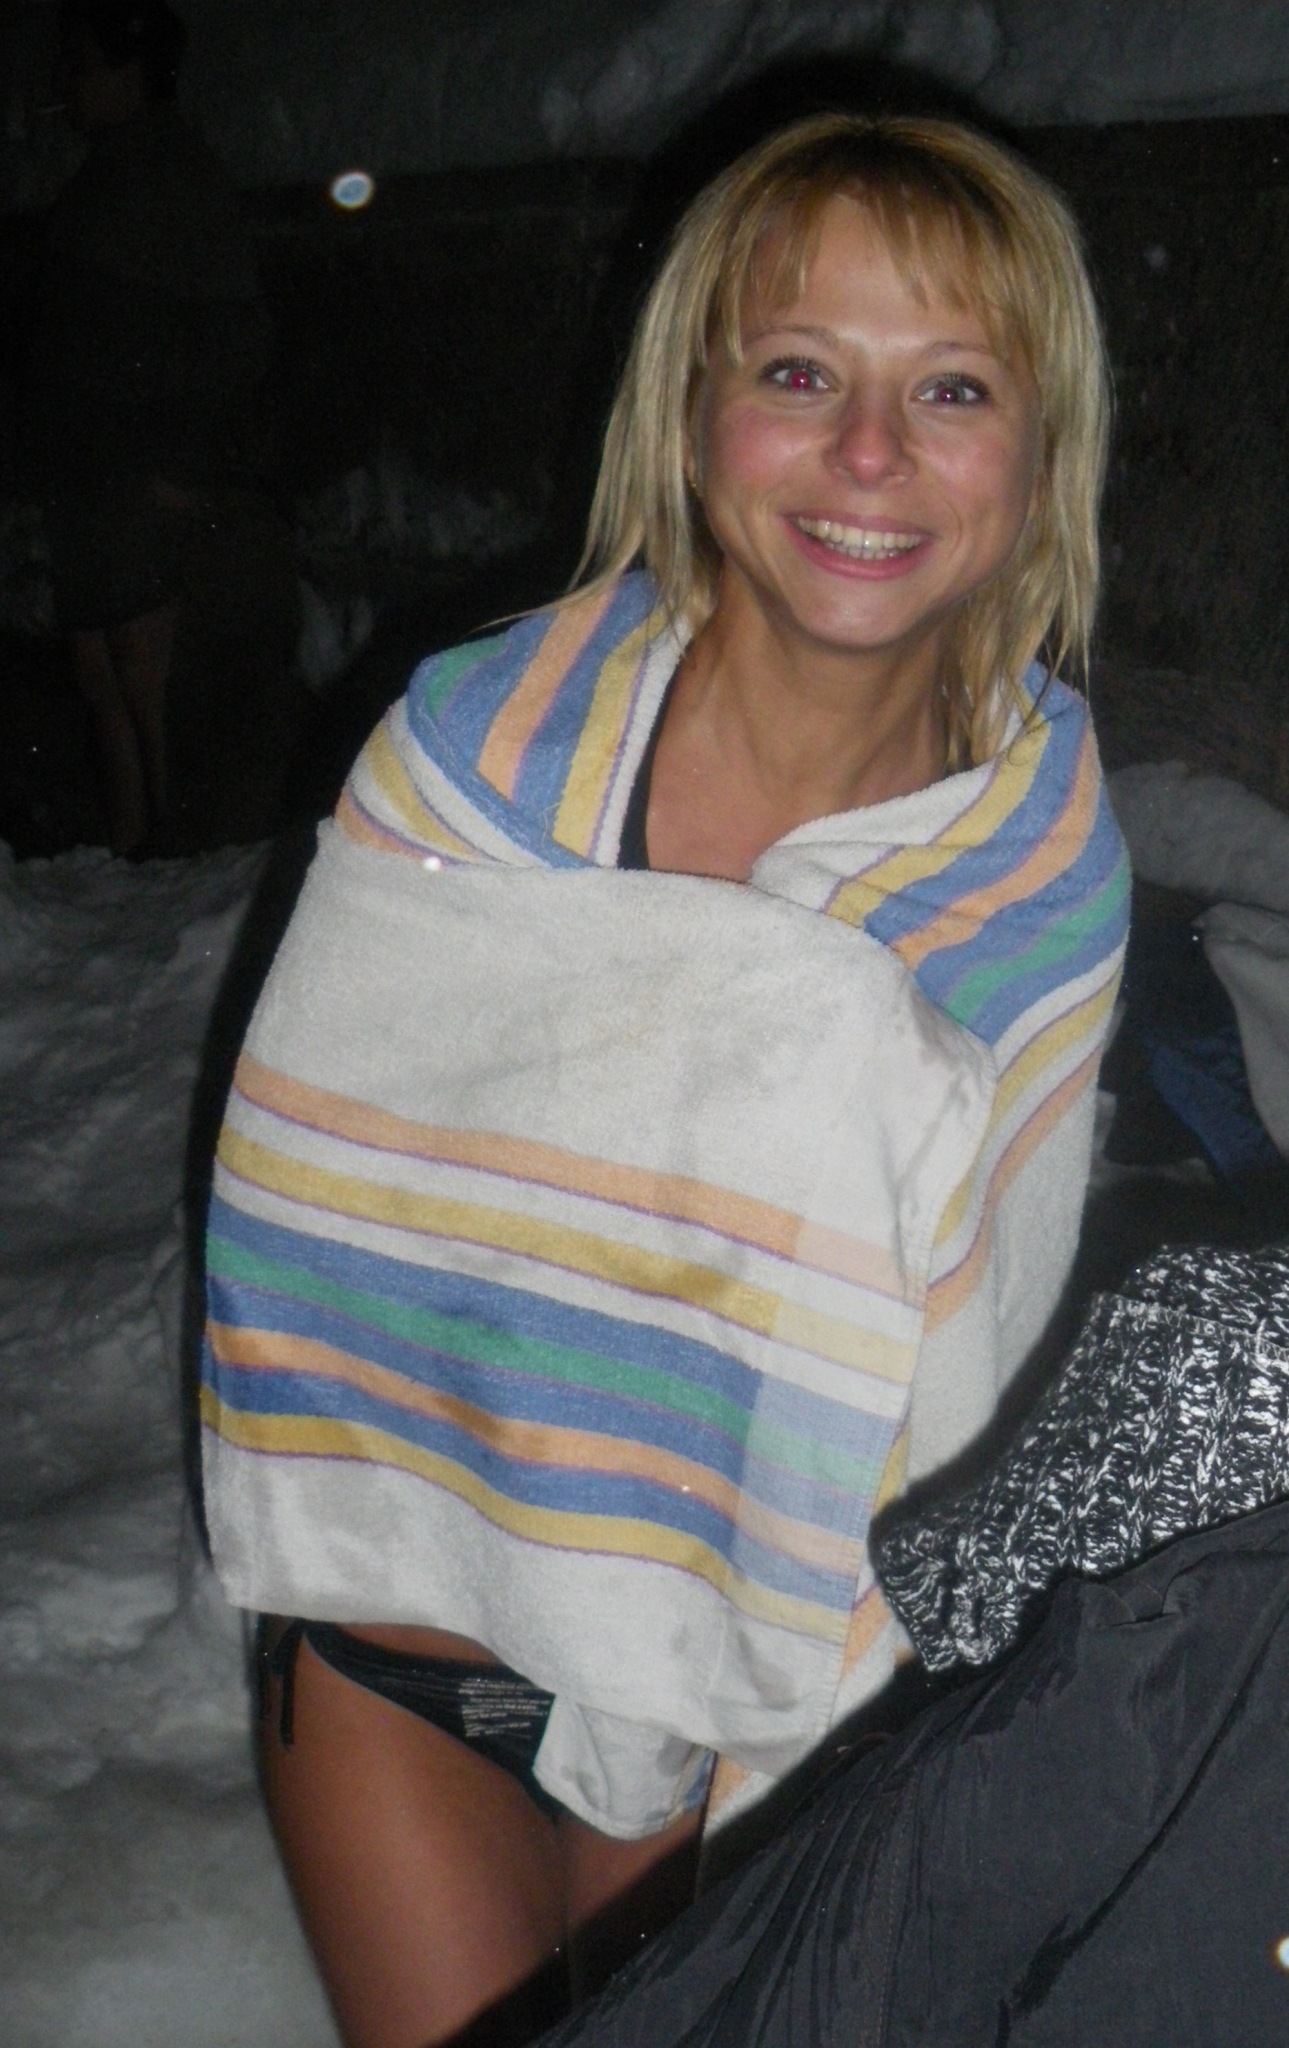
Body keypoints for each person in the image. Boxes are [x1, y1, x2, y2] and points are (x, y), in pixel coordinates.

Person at [200, 114, 1129, 2048]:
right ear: (691, 413)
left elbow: (970, 1372)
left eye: (949, 388)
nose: (864, 453)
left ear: (1037, 452)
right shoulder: (471, 762)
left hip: (745, 1688)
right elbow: (317, 1215)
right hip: (405, 1638)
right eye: (796, 372)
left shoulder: (1031, 865)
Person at [27, 0, 274, 852]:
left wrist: (182, 465)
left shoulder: (177, 177)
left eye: (86, 64)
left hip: (141, 467)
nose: (70, 83)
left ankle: (176, 847)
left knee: (147, 675)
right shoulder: (100, 180)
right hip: (88, 467)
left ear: (131, 71)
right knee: (100, 667)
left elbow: (235, 336)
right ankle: (134, 847)